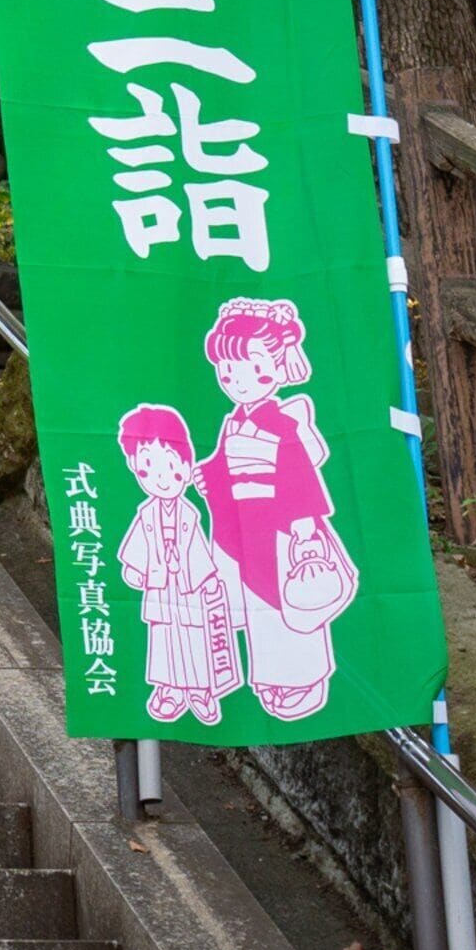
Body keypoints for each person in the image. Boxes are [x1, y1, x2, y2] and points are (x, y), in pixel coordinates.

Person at [198, 296, 358, 720]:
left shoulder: (281, 422)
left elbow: (298, 477)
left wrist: (304, 531)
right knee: (259, 611)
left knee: (288, 603)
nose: (234, 380)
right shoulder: (235, 420)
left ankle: (301, 680)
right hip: (246, 526)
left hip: (282, 530)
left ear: (273, 368)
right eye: (226, 371)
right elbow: (222, 464)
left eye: (245, 369)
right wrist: (210, 476)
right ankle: (268, 678)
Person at [114, 404, 242, 725]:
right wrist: (136, 570)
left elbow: (198, 552)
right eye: (147, 471)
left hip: (188, 590)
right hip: (160, 588)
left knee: (194, 640)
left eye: (170, 468)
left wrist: (207, 580)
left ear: (185, 468)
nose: (160, 479)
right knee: (164, 643)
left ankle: (199, 691)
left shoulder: (189, 515)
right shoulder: (146, 515)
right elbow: (136, 550)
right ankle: (169, 690)